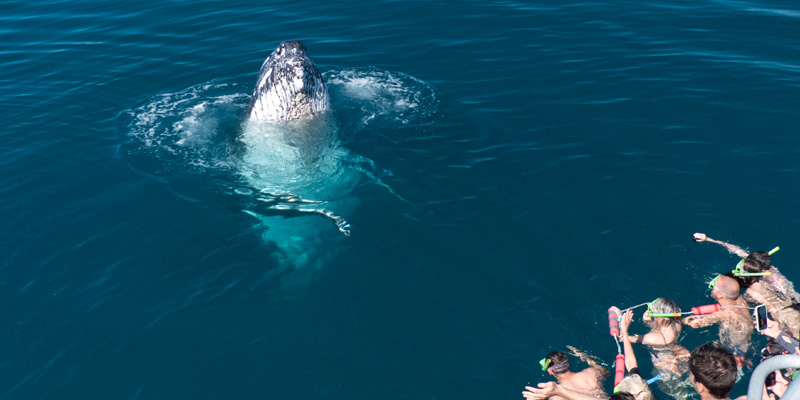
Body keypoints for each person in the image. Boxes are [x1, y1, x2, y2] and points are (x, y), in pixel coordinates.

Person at [693, 232, 800, 338]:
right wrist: (708, 239)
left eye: (740, 268)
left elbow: (739, 306)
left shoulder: (753, 291)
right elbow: (737, 250)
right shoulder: (767, 270)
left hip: (786, 316)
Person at [682, 275, 753, 370]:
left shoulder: (725, 314)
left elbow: (695, 323)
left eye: (713, 286)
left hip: (733, 348)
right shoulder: (740, 300)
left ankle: (741, 366)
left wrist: (680, 320)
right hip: (744, 341)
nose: (711, 285)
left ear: (720, 295)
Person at [622, 299, 689, 399]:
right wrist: (648, 321)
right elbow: (661, 326)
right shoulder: (676, 324)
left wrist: (622, 326)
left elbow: (626, 339)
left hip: (665, 368)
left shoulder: (653, 337)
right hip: (676, 357)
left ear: (658, 317)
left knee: (679, 396)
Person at [534, 350, 609, 400]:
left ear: (550, 371)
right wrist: (589, 360)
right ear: (568, 363)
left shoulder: (556, 395)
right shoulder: (592, 372)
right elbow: (607, 372)